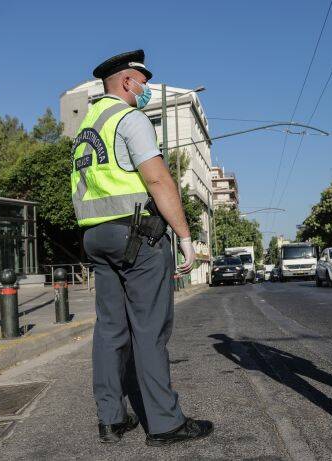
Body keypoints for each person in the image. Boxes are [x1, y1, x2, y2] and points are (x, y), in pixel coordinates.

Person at [71, 49, 213, 446]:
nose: (147, 88)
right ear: (127, 83)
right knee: (149, 329)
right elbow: (158, 181)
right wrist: (184, 236)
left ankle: (111, 419)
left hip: (97, 238)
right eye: (144, 82)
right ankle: (166, 423)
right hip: (136, 236)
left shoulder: (86, 129)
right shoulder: (129, 119)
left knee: (110, 328)